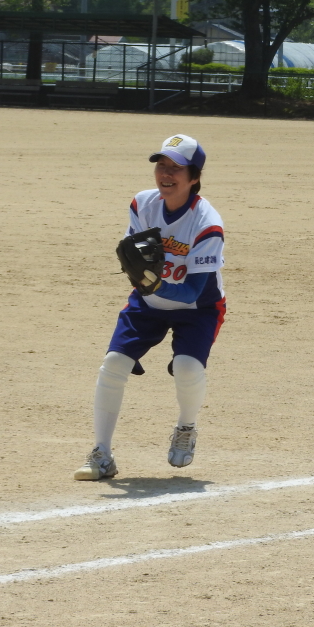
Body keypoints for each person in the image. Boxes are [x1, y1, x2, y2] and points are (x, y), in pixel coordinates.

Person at [74, 134, 226, 481]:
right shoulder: (142, 204)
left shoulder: (207, 223)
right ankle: (102, 454)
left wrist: (156, 284)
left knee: (187, 367)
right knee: (114, 363)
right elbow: (136, 260)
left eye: (176, 168)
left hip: (198, 308)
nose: (166, 174)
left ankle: (186, 427)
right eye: (161, 165)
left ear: (194, 177)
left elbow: (192, 291)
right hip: (148, 303)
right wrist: (143, 280)